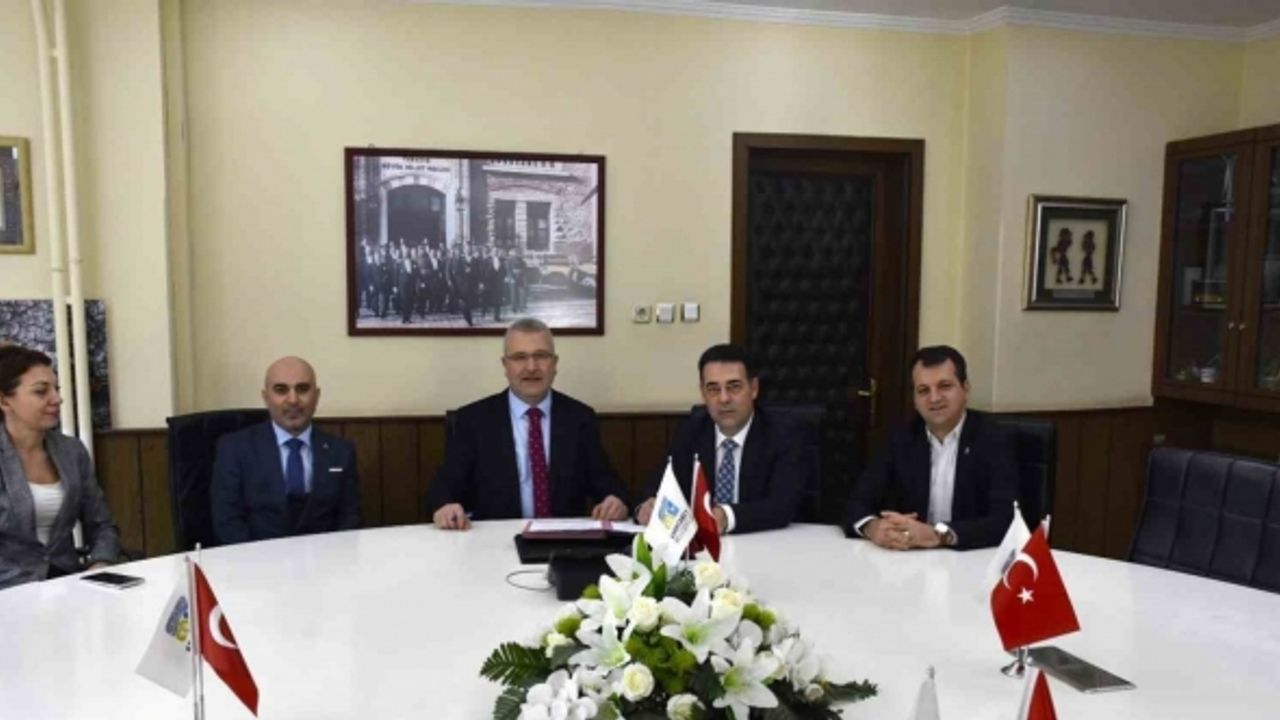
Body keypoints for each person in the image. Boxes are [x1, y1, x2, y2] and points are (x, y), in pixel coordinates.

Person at [428, 318, 628, 529]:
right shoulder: (473, 420)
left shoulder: (580, 418)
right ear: (505, 365)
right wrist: (445, 506)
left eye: (541, 356)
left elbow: (608, 484)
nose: (531, 367)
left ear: (555, 363)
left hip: (562, 539)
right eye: (520, 357)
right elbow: (443, 488)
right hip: (493, 539)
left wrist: (614, 501)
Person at [844, 345, 1016, 550]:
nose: (934, 398)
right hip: (910, 558)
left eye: (945, 386)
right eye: (923, 390)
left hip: (973, 558)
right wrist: (873, 528)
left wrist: (939, 535)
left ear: (965, 389)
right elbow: (857, 502)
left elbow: (1006, 519)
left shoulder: (993, 438)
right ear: (914, 399)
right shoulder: (900, 438)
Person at [635, 344, 806, 535]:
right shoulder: (691, 432)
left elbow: (782, 506)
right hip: (701, 547)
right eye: (713, 389)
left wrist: (726, 517)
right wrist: (646, 506)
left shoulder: (783, 434)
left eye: (734, 387)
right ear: (703, 393)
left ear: (754, 388)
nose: (724, 399)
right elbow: (654, 487)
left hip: (767, 543)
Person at [0, 344, 120, 590]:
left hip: (67, 584)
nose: (57, 399)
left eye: (56, 389)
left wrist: (100, 564)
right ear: (4, 400)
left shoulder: (72, 451)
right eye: (41, 391)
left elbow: (102, 525)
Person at [210, 356, 361, 544]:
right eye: (281, 390)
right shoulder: (234, 449)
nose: (293, 400)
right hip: (256, 559)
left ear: (317, 396)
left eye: (302, 389)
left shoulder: (341, 452)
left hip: (324, 558)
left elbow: (350, 519)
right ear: (266, 397)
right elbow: (227, 522)